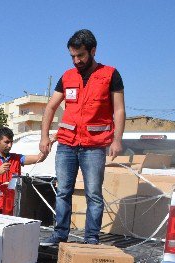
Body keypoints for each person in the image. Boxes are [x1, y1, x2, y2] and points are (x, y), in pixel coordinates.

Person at [39, 29, 125, 246]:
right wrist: (44, 137)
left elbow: (119, 110)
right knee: (63, 191)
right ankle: (59, 235)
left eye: (81, 56)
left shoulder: (110, 74)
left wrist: (117, 140)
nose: (76, 60)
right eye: (73, 56)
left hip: (94, 146)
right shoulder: (67, 76)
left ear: (93, 51)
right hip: (67, 144)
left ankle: (91, 238)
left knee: (93, 195)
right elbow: (50, 108)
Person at [0, 127, 46, 214]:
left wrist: (49, 143)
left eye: (11, 142)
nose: (10, 145)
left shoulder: (18, 159)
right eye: (6, 142)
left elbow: (39, 158)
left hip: (12, 209)